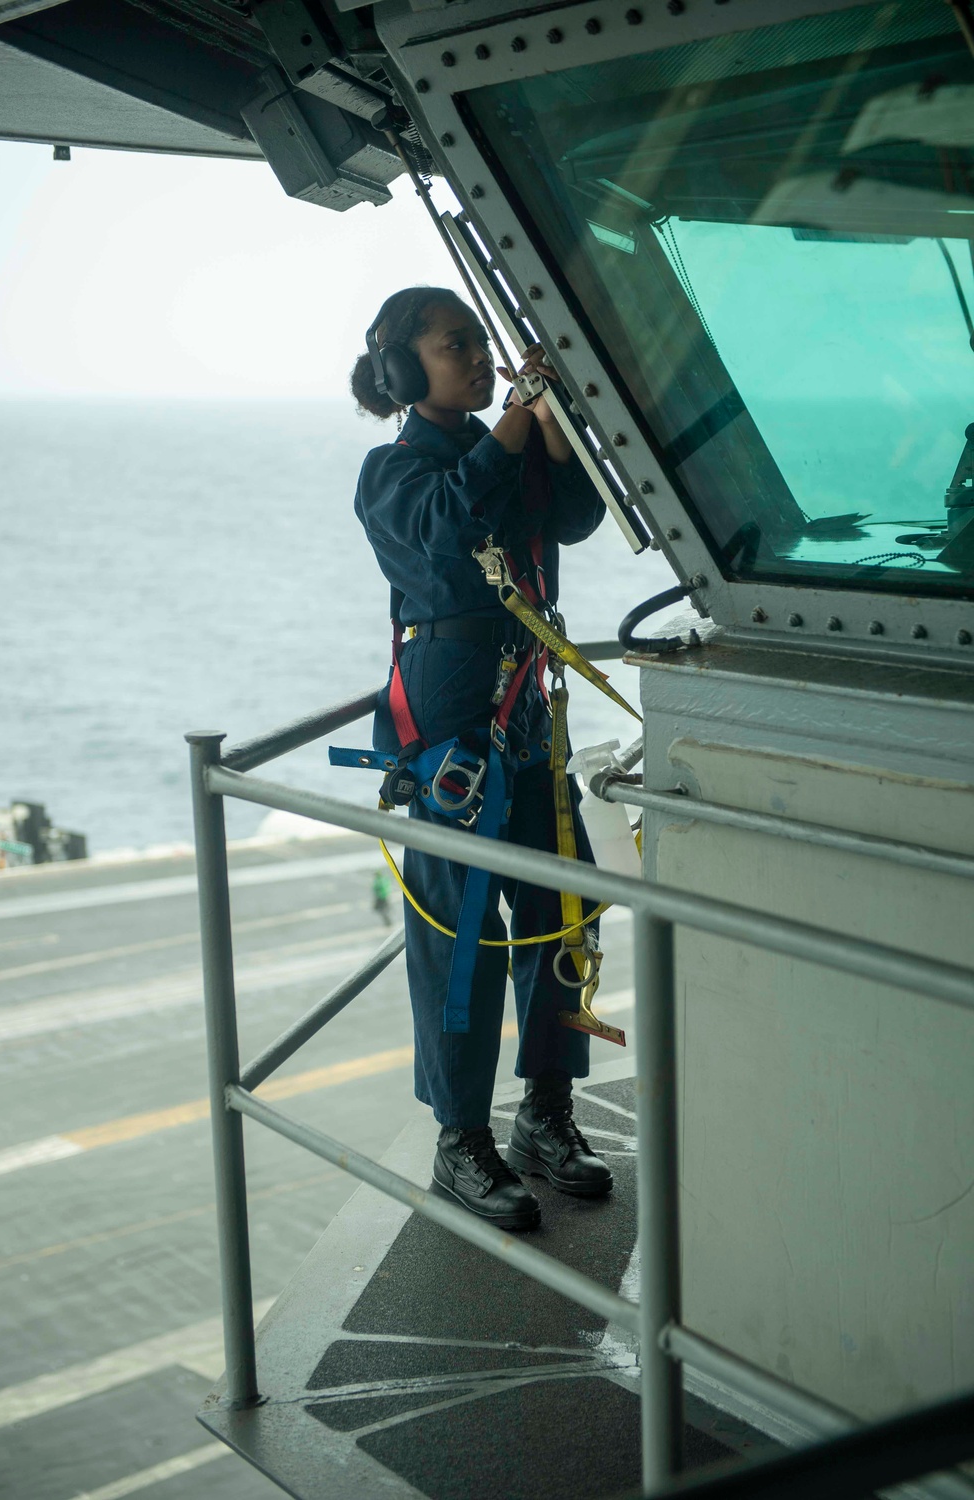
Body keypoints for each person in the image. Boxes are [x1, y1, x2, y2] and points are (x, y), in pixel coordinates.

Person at [349, 285, 613, 1232]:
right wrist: (509, 427)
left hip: (528, 718)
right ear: (405, 368)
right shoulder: (393, 471)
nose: (477, 358)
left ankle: (547, 1110)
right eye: (455, 345)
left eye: (480, 344)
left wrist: (548, 426)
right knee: (462, 941)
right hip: (456, 728)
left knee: (562, 912)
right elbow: (445, 533)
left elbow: (575, 519)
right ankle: (462, 1139)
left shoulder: (500, 451)